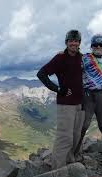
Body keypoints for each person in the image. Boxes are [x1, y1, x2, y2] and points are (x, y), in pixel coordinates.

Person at [37, 30, 85, 169]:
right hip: (66, 104)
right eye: (71, 40)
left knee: (76, 137)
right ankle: (57, 170)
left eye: (76, 41)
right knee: (65, 137)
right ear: (66, 42)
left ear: (79, 43)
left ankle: (69, 164)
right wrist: (58, 89)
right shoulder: (60, 58)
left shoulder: (82, 57)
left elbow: (99, 59)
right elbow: (41, 73)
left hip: (80, 103)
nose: (74, 43)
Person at [74, 34, 102, 171]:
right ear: (91, 46)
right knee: (83, 126)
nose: (98, 47)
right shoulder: (84, 58)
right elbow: (71, 60)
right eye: (95, 45)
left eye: (101, 45)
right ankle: (75, 155)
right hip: (87, 95)